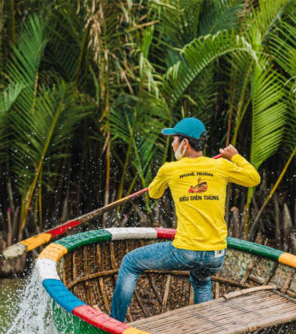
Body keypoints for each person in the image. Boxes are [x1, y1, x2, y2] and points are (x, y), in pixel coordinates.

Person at [110, 117, 260, 322]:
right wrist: (235, 157)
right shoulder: (221, 167)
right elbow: (253, 178)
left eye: (174, 140)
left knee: (129, 262)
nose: (172, 144)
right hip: (216, 256)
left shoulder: (169, 169)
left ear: (185, 144)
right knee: (201, 280)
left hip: (186, 253)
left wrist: (171, 175)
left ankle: (113, 323)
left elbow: (153, 193)